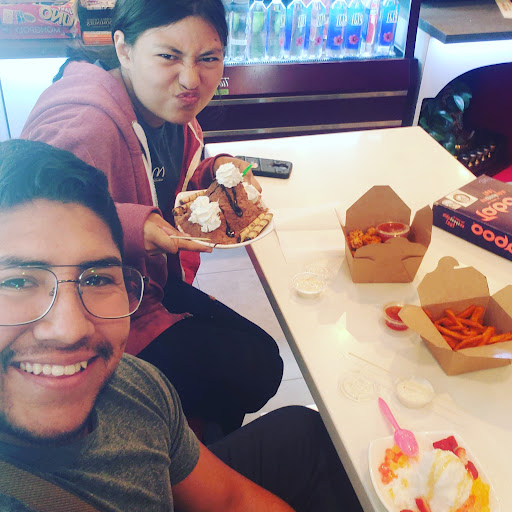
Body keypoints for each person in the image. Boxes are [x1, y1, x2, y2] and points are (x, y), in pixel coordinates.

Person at [0, 138, 364, 512]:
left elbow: (232, 499)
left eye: (96, 278)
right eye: (17, 282)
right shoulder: (84, 122)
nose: (69, 329)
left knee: (305, 433)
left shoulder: (137, 387)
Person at [20, 0, 283, 439]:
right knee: (255, 370)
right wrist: (131, 226)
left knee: (260, 360)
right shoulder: (85, 123)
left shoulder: (168, 111)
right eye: (168, 56)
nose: (191, 79)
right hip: (103, 317)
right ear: (124, 48)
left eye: (208, 58)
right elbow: (30, 229)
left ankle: (185, 438)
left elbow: (162, 181)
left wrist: (215, 173)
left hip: (152, 284)